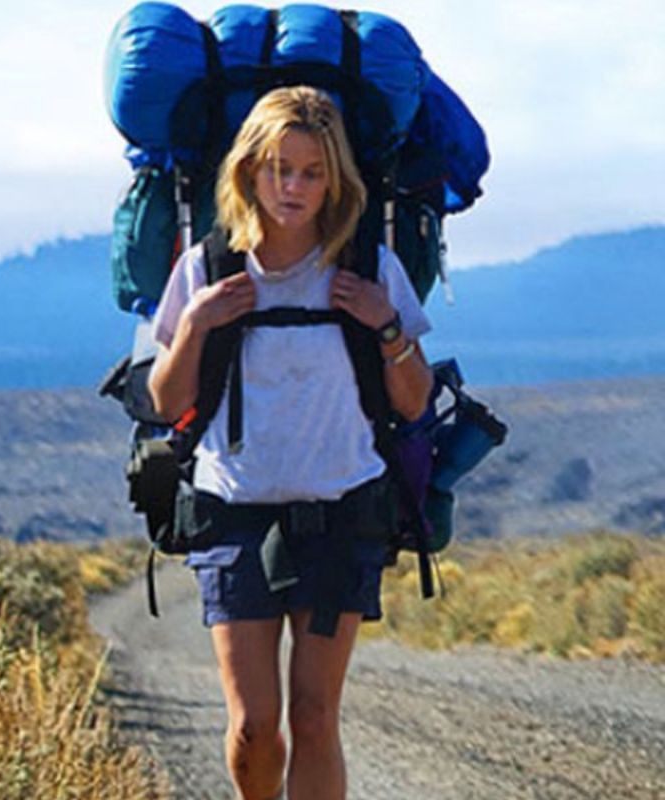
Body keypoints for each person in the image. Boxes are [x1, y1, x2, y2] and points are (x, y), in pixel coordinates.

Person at [147, 85, 434, 800]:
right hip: (233, 511)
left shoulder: (369, 270)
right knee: (253, 727)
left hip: (341, 512)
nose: (293, 187)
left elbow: (414, 399)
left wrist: (387, 326)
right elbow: (165, 400)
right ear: (249, 170)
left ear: (334, 180)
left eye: (310, 172)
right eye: (279, 169)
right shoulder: (208, 269)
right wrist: (196, 325)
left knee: (313, 717)